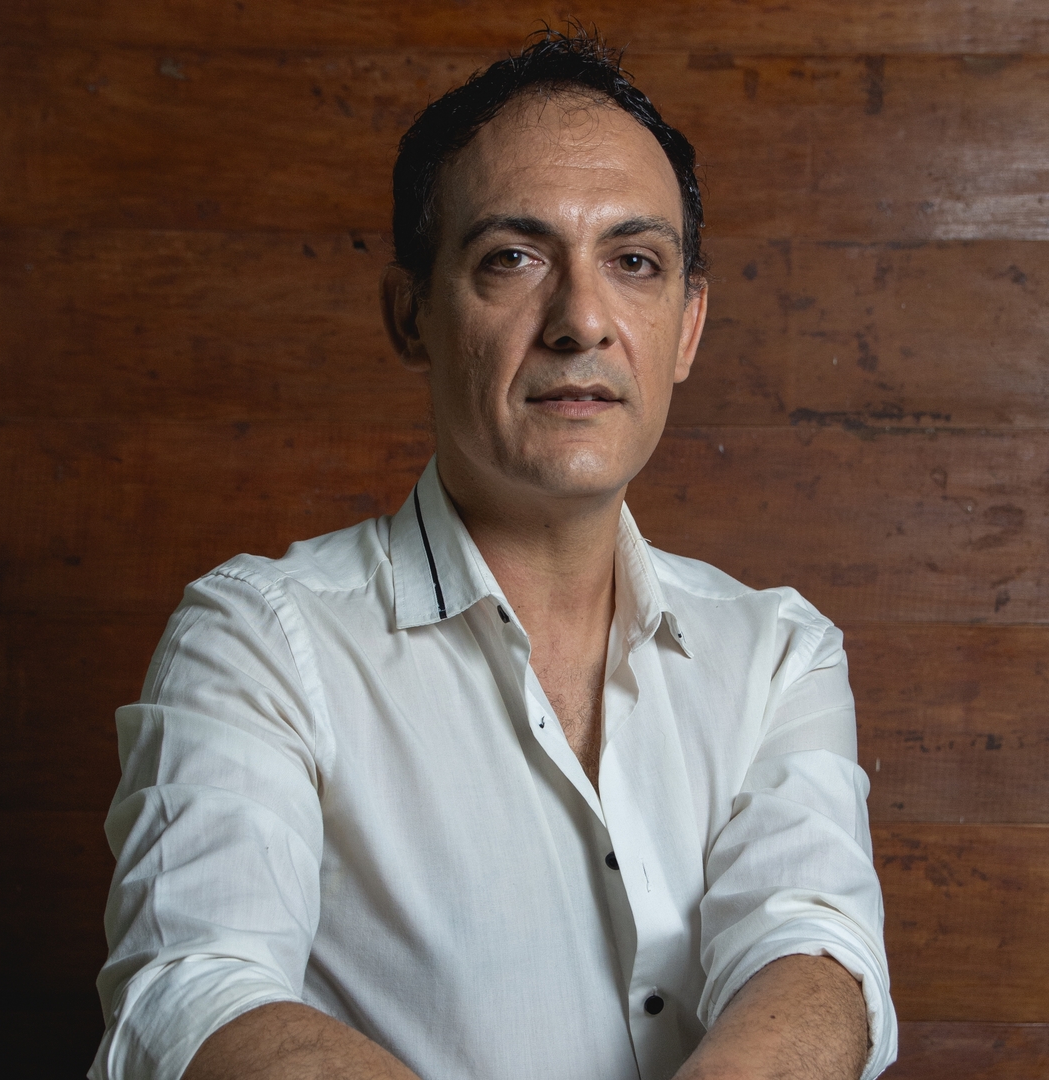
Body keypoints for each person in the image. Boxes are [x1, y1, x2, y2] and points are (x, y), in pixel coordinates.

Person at [91, 29, 897, 1080]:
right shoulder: (256, 641)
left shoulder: (780, 653)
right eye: (513, 258)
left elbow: (815, 949)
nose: (582, 322)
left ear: (688, 326)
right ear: (412, 314)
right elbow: (191, 992)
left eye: (635, 263)